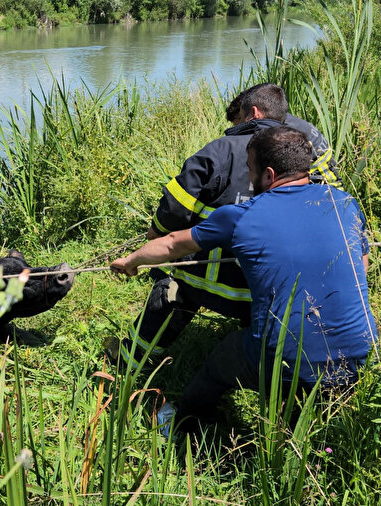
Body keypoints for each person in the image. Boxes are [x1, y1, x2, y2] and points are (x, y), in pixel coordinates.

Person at [111, 126, 377, 431]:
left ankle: (185, 428)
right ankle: (306, 430)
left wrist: (130, 262)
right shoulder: (344, 202)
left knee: (219, 362)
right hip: (361, 351)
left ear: (268, 174)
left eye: (249, 169)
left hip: (283, 357)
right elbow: (362, 268)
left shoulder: (240, 216)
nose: (248, 177)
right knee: (308, 403)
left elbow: (172, 243)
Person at [105, 83, 336, 368]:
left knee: (171, 282)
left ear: (251, 112)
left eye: (238, 118)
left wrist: (153, 234)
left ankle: (130, 359)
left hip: (206, 281)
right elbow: (331, 203)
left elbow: (175, 209)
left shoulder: (221, 150)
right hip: (275, 287)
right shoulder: (304, 143)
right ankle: (268, 360)